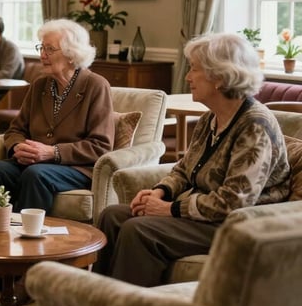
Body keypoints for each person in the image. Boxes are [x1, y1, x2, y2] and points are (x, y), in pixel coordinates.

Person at [94, 32, 290, 287]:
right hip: (202, 215)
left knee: (139, 230)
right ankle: (96, 301)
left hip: (236, 224)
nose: (187, 77)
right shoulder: (211, 118)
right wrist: (160, 192)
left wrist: (170, 209)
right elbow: (184, 169)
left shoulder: (255, 125)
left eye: (194, 69)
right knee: (112, 215)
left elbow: (232, 202)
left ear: (219, 76)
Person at [0, 18, 114, 299]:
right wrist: (17, 147)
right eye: (41, 47)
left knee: (37, 175)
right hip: (35, 162)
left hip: (75, 166)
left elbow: (101, 146)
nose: (42, 55)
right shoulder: (39, 85)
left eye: (50, 49)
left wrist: (53, 152)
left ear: (71, 54)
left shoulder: (96, 86)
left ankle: (28, 271)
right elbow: (15, 130)